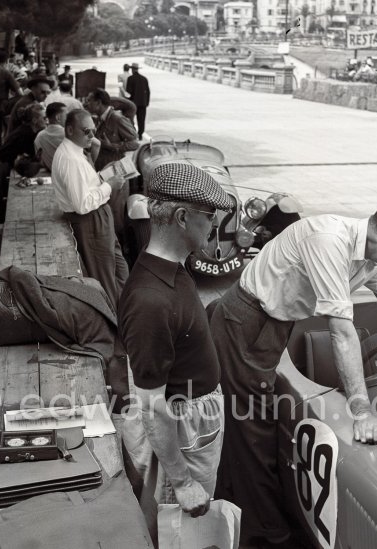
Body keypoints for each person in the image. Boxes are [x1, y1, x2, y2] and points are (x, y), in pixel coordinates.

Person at [210, 197, 377, 547]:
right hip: (248, 320)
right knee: (253, 430)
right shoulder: (329, 241)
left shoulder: (371, 256)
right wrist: (362, 409)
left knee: (254, 426)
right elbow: (341, 331)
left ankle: (245, 507)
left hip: (276, 321)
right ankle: (264, 535)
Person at [118, 162, 235, 542]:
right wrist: (182, 482)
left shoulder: (173, 266)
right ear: (183, 217)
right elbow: (152, 406)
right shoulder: (151, 300)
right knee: (181, 532)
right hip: (183, 427)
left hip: (195, 418)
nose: (214, 226)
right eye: (210, 217)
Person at [51, 108, 128, 312]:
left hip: (99, 218)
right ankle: (117, 325)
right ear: (69, 130)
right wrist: (109, 185)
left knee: (119, 270)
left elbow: (84, 187)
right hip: (91, 220)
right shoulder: (71, 160)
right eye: (87, 131)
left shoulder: (75, 153)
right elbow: (82, 204)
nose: (92, 136)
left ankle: (125, 315)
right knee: (105, 278)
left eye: (93, 131)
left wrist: (102, 179)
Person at [85, 88, 139, 239]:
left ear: (98, 103)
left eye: (89, 101)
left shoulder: (117, 119)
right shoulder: (101, 119)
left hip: (116, 171)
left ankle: (120, 247)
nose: (86, 103)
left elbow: (135, 143)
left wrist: (113, 146)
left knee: (115, 215)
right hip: (105, 170)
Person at [0, 103, 46, 229]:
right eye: (44, 118)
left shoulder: (27, 131)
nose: (46, 121)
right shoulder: (27, 134)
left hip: (0, 168)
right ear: (35, 120)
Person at [34, 102, 66, 171]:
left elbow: (41, 161)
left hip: (51, 175)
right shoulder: (69, 134)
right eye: (66, 115)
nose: (69, 119)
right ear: (58, 117)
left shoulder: (39, 137)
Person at [126, 62, 150, 140]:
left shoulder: (130, 79)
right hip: (143, 103)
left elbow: (128, 93)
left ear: (132, 70)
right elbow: (148, 92)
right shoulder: (144, 79)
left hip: (133, 103)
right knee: (141, 120)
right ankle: (140, 135)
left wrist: (126, 103)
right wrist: (147, 103)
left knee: (130, 120)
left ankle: (132, 134)